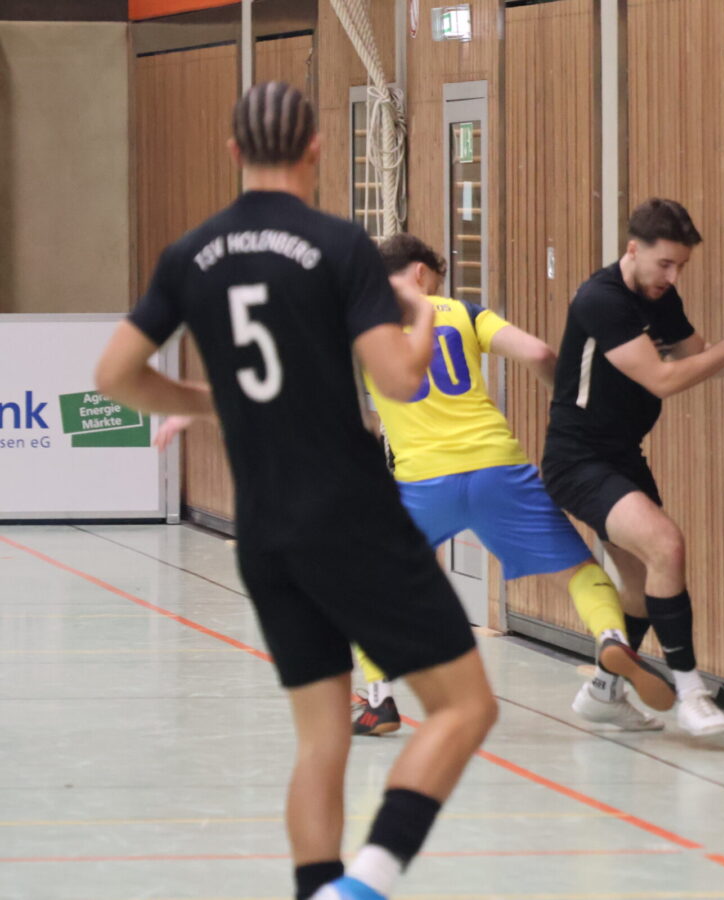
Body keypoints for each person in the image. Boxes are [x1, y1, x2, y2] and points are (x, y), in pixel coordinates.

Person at [94, 82, 496, 900]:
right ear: (315, 148)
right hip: (350, 520)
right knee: (464, 707)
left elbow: (115, 376)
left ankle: (317, 891)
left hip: (265, 535)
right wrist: (421, 316)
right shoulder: (339, 246)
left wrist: (211, 400)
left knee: (321, 741)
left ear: (233, 152)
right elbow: (399, 379)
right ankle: (364, 884)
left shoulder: (189, 254)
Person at [161, 233, 678, 733]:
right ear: (421, 272)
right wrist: (570, 409)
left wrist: (210, 403)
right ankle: (611, 637)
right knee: (580, 573)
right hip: (498, 470)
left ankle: (379, 701)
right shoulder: (464, 313)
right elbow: (541, 354)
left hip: (423, 484)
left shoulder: (361, 329)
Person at [541, 198, 724, 737]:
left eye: (681, 266)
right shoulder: (601, 300)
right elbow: (664, 379)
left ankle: (602, 693)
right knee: (666, 546)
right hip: (577, 459)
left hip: (622, 455)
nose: (672, 277)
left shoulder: (661, 296)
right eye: (665, 264)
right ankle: (691, 693)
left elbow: (698, 359)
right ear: (633, 249)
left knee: (640, 583)